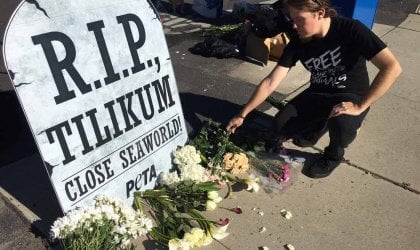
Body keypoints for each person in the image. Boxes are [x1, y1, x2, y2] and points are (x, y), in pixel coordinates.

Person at [226, 0, 401, 178]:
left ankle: (334, 155)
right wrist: (242, 114)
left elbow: (392, 67)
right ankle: (319, 124)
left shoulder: (350, 29)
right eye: (292, 19)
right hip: (318, 93)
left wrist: (361, 106)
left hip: (350, 95)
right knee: (280, 126)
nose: (294, 25)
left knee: (343, 123)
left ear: (320, 13)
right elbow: (271, 81)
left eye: (300, 19)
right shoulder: (298, 41)